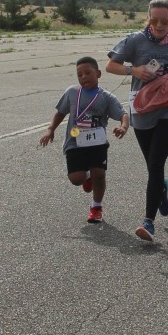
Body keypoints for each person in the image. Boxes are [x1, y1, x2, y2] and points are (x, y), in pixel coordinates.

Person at [107, 0, 168, 243]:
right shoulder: (135, 40)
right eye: (154, 20)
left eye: (165, 21)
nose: (159, 25)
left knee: (156, 163)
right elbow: (111, 66)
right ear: (148, 18)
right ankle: (162, 187)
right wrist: (133, 70)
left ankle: (148, 222)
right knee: (152, 166)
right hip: (142, 108)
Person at [39, 56, 129, 224]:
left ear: (98, 74)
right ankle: (87, 177)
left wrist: (123, 127)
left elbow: (123, 114)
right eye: (79, 75)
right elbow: (60, 112)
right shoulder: (72, 93)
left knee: (99, 176)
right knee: (76, 179)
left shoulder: (106, 97)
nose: (83, 77)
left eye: (88, 73)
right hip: (75, 143)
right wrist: (50, 129)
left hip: (97, 143)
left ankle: (96, 207)